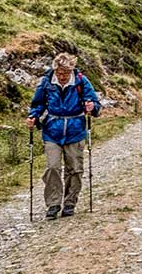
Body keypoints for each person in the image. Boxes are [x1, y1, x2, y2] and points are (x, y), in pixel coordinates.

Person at [26, 52, 100, 219]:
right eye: (60, 73)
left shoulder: (81, 80)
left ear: (71, 70)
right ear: (55, 70)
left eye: (66, 73)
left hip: (75, 130)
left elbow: (95, 104)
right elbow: (38, 104)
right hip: (53, 130)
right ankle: (53, 204)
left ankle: (69, 202)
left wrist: (91, 107)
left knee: (74, 169)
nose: (62, 77)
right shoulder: (46, 82)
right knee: (53, 167)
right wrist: (33, 117)